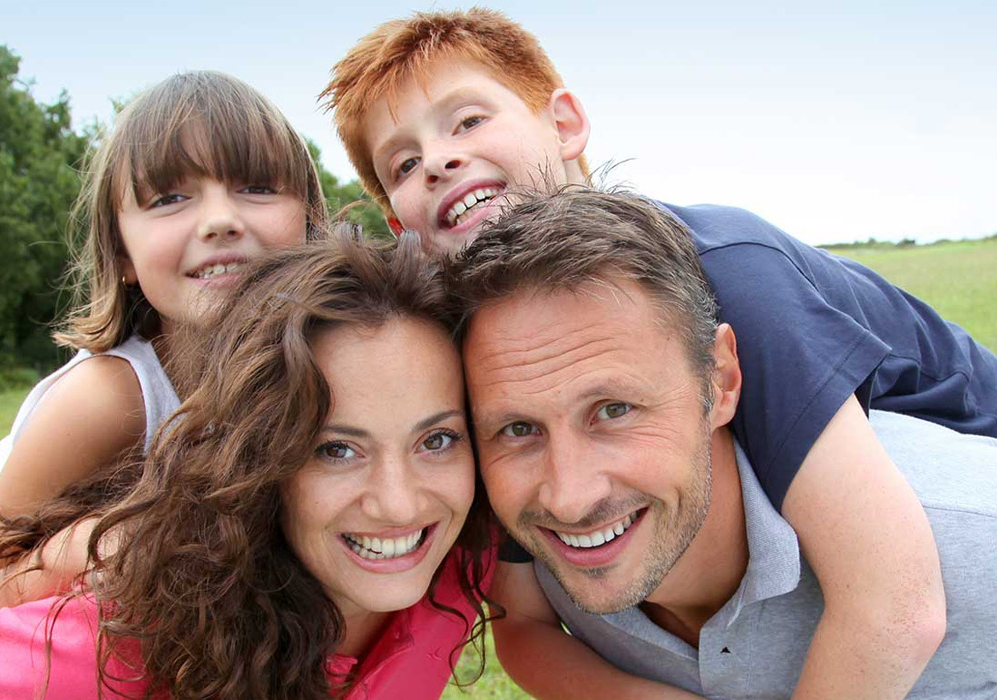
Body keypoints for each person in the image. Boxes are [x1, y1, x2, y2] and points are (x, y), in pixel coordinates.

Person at [321, 10, 997, 697]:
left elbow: (893, 602)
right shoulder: (490, 357)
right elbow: (518, 620)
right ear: (400, 223)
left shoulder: (725, 271)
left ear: (564, 124)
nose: (438, 160)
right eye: (404, 163)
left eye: (466, 122)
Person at [0, 236, 496, 700]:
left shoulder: (464, 555)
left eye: (436, 441)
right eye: (334, 449)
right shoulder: (135, 640)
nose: (402, 504)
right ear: (259, 464)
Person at [444, 188, 997, 697]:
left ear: (721, 380)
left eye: (614, 411)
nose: (568, 499)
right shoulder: (556, 564)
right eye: (517, 430)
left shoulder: (973, 542)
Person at [0, 70, 330, 655]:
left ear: (311, 223)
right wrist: (114, 540)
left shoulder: (318, 362)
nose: (220, 219)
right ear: (121, 255)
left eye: (259, 188)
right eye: (170, 198)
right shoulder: (112, 397)